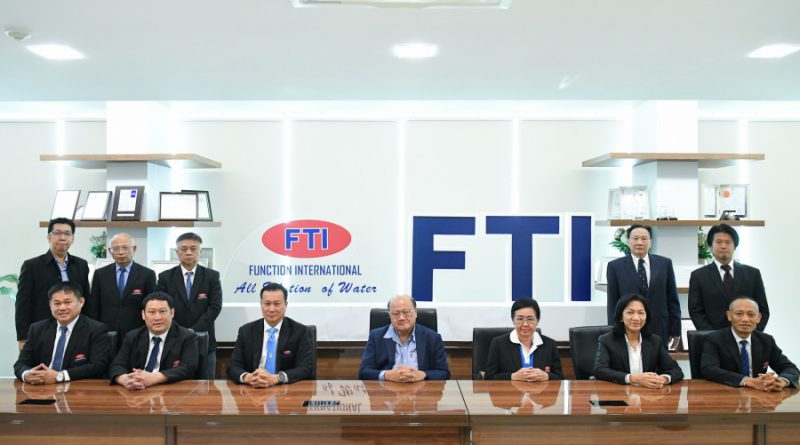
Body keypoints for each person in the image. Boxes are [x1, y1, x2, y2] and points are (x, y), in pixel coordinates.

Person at [16, 218, 91, 349]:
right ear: (49, 237)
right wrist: (23, 338)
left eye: (67, 234)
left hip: (76, 331)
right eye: (57, 233)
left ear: (72, 239)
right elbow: (23, 304)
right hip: (43, 331)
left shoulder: (81, 265)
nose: (62, 238)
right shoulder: (32, 266)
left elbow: (87, 300)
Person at [14, 282, 110, 383]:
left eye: (68, 302)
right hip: (42, 387)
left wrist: (60, 376)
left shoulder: (96, 329)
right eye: (57, 303)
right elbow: (20, 364)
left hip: (76, 388)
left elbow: (98, 366)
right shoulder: (37, 329)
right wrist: (26, 375)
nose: (62, 308)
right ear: (50, 305)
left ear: (81, 302)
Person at [157, 232, 221, 378]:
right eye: (184, 249)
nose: (189, 253)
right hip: (174, 340)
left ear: (200, 251)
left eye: (193, 248)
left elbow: (215, 307)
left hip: (204, 340)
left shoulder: (212, 276)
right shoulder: (165, 277)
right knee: (175, 385)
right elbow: (161, 307)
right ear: (177, 252)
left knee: (206, 386)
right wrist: (180, 331)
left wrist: (193, 330)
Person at [606, 224, 681, 349]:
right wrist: (613, 331)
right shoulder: (615, 267)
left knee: (659, 361)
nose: (639, 242)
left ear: (650, 242)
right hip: (628, 329)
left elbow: (672, 298)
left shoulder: (665, 264)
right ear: (628, 241)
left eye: (644, 238)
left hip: (659, 328)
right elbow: (612, 302)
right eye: (635, 238)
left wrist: (676, 329)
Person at [700, 297, 798, 390]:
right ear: (729, 316)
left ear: (758, 318)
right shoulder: (714, 339)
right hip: (726, 393)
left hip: (758, 395)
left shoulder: (766, 340)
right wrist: (747, 381)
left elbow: (790, 368)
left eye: (751, 315)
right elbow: (708, 369)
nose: (745, 319)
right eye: (739, 314)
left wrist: (781, 381)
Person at [227, 283, 314, 387]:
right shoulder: (246, 331)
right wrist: (248, 377)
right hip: (253, 388)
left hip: (285, 390)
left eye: (277, 304)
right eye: (267, 304)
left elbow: (305, 368)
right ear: (261, 304)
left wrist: (277, 378)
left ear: (286, 305)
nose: (271, 309)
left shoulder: (299, 331)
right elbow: (233, 366)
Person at [109, 292, 199, 390]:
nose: (157, 317)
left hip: (170, 391)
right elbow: (117, 364)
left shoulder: (187, 337)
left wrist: (154, 377)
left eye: (162, 311)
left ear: (172, 313)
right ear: (143, 315)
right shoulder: (132, 336)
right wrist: (125, 380)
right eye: (152, 312)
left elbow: (188, 367)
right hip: (136, 391)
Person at [689, 224, 769, 331]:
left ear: (735, 246)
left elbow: (763, 310)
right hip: (712, 337)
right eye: (718, 242)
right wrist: (711, 336)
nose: (723, 246)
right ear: (710, 246)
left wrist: (752, 335)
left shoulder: (752, 274)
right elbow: (695, 311)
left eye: (728, 242)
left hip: (746, 336)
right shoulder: (698, 276)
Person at [594, 293, 684, 387]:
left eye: (641, 313)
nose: (636, 318)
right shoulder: (607, 340)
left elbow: (676, 370)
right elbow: (600, 370)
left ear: (646, 317)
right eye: (630, 312)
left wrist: (663, 379)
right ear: (621, 317)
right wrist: (633, 378)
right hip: (619, 393)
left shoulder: (655, 341)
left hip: (648, 393)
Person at [359, 295, 450, 381]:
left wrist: (423, 375)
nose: (401, 318)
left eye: (406, 312)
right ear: (389, 315)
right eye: (395, 313)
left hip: (421, 388)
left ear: (415, 313)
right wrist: (386, 375)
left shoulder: (433, 338)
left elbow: (444, 373)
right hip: (387, 389)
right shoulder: (376, 337)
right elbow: (364, 372)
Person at [87, 233, 157, 337]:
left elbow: (151, 306)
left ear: (134, 249)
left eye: (125, 248)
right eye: (115, 249)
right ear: (110, 251)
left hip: (136, 333)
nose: (120, 252)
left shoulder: (147, 274)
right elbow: (94, 306)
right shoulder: (100, 274)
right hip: (106, 332)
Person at [484, 297, 563, 381]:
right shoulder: (498, 343)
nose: (525, 324)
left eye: (530, 319)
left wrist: (547, 376)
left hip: (540, 389)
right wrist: (512, 376)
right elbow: (489, 377)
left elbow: (560, 378)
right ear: (513, 320)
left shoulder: (550, 344)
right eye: (520, 319)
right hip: (510, 390)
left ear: (537, 320)